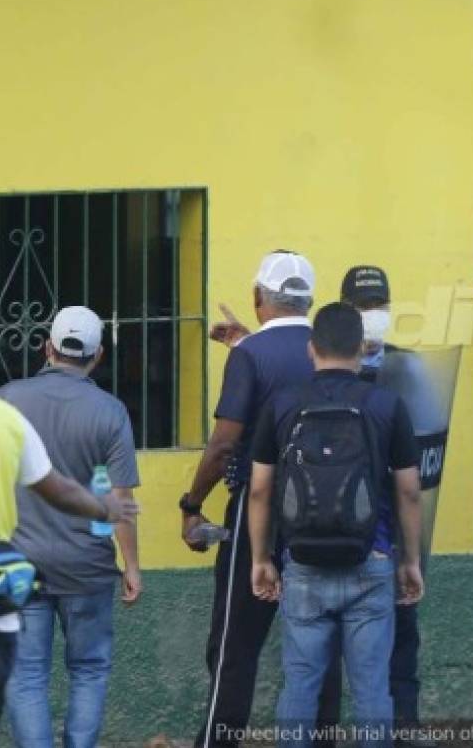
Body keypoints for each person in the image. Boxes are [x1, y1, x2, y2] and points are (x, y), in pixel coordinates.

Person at [180, 250, 340, 748]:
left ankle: (220, 741)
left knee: (235, 641)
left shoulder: (251, 357)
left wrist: (192, 503)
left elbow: (225, 442)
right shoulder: (329, 347)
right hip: (327, 507)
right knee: (320, 641)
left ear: (257, 298)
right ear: (309, 299)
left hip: (261, 509)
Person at [248, 302, 424, 748]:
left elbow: (260, 490)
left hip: (302, 563)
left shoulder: (283, 405)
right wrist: (410, 561)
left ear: (312, 350)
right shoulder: (387, 405)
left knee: (300, 687)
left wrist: (261, 558)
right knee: (371, 690)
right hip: (372, 559)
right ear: (362, 350)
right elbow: (408, 491)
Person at [0, 307, 142, 748]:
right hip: (87, 567)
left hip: (19, 564)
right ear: (98, 356)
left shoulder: (7, 400)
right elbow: (120, 502)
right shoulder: (110, 411)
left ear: (47, 347)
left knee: (24, 674)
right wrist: (132, 565)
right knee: (89, 668)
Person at [341, 265, 437, 748]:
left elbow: (423, 447)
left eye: (378, 306)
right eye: (361, 307)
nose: (372, 316)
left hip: (394, 526)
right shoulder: (332, 369)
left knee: (403, 628)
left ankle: (404, 724)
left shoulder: (408, 368)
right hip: (339, 521)